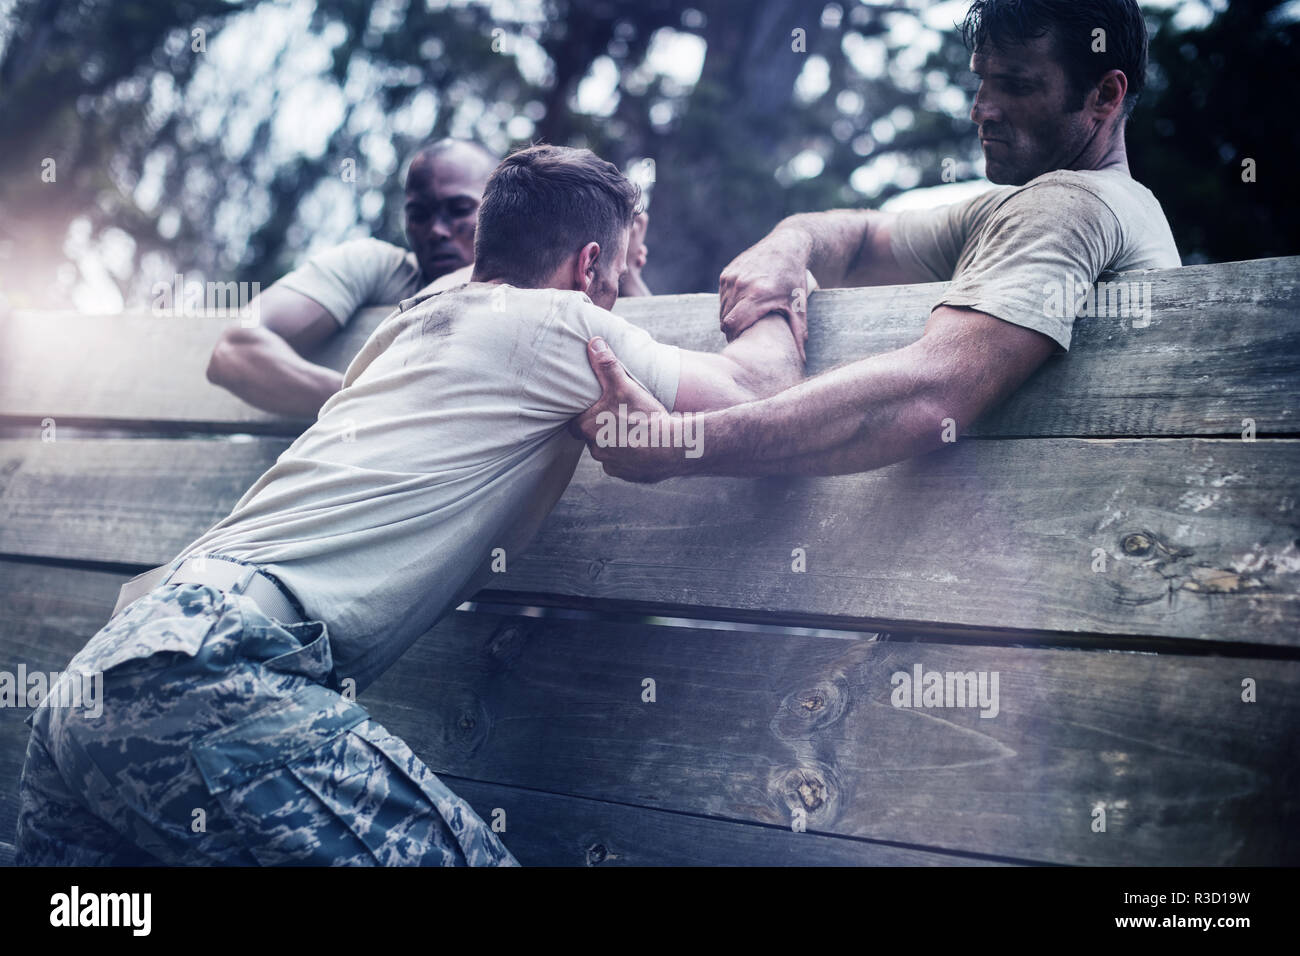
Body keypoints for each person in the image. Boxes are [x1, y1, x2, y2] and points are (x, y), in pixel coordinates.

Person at [15, 144, 803, 866]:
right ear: (587, 263)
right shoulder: (538, 319)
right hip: (209, 676)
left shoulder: (427, 321)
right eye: (617, 275)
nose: (436, 227)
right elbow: (756, 390)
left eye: (459, 209)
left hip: (104, 674)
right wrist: (783, 290)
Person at [573, 0, 1180, 482]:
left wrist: (680, 445)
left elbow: (929, 393)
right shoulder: (1039, 206)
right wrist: (791, 243)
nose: (982, 110)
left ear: (1105, 95)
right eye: (981, 82)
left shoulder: (1069, 206)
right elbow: (863, 240)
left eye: (1016, 86)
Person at [205, 138, 654, 419]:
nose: (436, 230)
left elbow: (647, 366)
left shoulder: (545, 288)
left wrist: (625, 273)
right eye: (419, 215)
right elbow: (233, 350)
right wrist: (370, 404)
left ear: (501, 209)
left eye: (459, 210)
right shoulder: (375, 263)